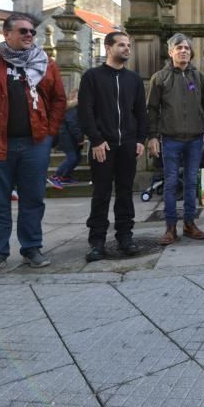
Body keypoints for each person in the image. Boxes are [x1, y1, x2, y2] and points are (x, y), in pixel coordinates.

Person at [0, 12, 66, 275]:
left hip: (35, 144)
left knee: (33, 199)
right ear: (6, 34)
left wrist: (49, 132)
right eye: (23, 31)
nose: (29, 35)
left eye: (31, 31)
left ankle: (32, 247)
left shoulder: (46, 64)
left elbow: (58, 101)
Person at [78, 31, 150, 261]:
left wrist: (140, 139)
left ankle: (125, 236)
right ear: (108, 48)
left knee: (126, 193)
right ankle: (97, 241)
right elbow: (85, 111)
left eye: (129, 45)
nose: (127, 49)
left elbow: (140, 112)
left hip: (128, 144)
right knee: (101, 194)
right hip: (103, 145)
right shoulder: (92, 77)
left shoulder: (134, 80)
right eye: (122, 45)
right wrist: (96, 140)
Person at [146, 33, 204, 245]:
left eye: (187, 48)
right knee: (171, 184)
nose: (183, 51)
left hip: (195, 139)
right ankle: (170, 227)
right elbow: (151, 110)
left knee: (191, 183)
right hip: (170, 139)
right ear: (171, 52)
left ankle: (189, 224)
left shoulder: (199, 77)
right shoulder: (159, 78)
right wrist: (152, 137)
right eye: (179, 48)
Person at [49, 90, 83, 188]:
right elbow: (73, 125)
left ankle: (65, 176)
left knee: (77, 157)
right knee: (72, 157)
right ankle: (55, 176)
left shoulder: (77, 108)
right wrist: (80, 138)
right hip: (66, 138)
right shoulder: (71, 108)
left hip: (71, 138)